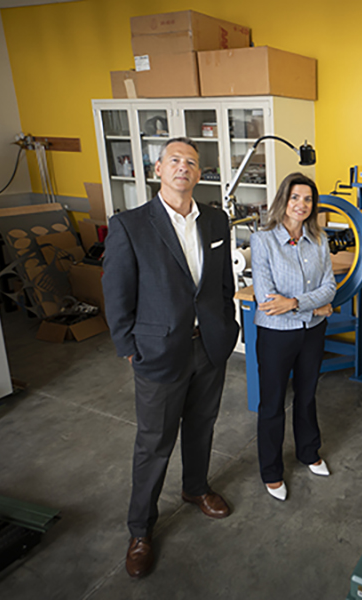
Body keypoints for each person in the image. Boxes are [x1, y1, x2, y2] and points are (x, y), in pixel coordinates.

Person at [102, 137, 240, 578]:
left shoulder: (216, 221)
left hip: (209, 347)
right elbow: (117, 291)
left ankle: (195, 489)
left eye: (192, 162)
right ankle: (141, 529)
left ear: (199, 174)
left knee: (201, 426)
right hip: (158, 351)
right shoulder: (131, 225)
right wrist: (128, 346)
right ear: (158, 169)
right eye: (175, 160)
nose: (184, 167)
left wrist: (227, 327)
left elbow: (222, 284)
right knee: (154, 443)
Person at [250, 173, 336, 502]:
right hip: (275, 335)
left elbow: (330, 287)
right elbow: (266, 299)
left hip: (312, 334)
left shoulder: (319, 240)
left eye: (308, 199)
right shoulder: (263, 241)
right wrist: (318, 307)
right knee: (271, 404)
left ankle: (309, 452)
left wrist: (298, 304)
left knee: (307, 395)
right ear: (283, 200)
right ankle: (271, 471)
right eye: (295, 197)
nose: (301, 205)